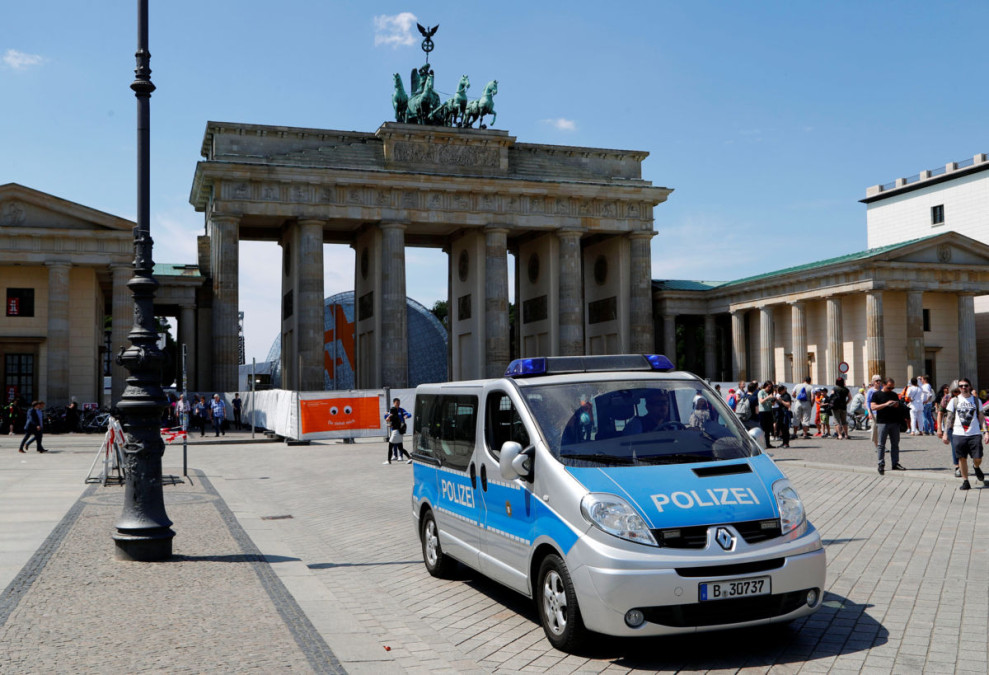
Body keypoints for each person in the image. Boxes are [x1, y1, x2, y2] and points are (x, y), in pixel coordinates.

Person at [942, 378, 987, 490]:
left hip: (975, 433)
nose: (963, 388)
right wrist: (945, 433)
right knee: (962, 458)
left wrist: (986, 432)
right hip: (958, 434)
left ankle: (976, 467)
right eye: (961, 386)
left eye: (965, 385)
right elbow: (949, 418)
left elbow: (981, 417)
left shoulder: (976, 400)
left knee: (978, 457)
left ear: (970, 386)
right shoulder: (954, 401)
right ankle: (965, 481)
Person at [871, 378, 906, 475]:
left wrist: (896, 405)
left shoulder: (894, 394)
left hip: (894, 422)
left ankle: (895, 463)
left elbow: (899, 406)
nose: (891, 389)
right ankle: (881, 464)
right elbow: (873, 407)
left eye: (892, 388)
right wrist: (886, 404)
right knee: (881, 444)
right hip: (882, 422)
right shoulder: (876, 394)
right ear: (884, 385)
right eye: (889, 387)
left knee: (895, 444)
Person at [384, 398, 412, 464]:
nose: (390, 413)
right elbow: (392, 423)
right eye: (397, 403)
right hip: (399, 432)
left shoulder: (393, 416)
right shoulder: (397, 417)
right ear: (394, 403)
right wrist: (389, 422)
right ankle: (409, 458)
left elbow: (387, 419)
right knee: (400, 447)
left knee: (390, 446)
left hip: (395, 433)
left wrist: (388, 416)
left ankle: (389, 460)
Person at [757, 381, 775, 448]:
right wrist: (768, 397)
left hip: (769, 411)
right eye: (768, 387)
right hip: (762, 411)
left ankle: (768, 443)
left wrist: (773, 400)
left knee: (768, 429)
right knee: (763, 428)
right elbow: (761, 401)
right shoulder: (761, 392)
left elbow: (772, 403)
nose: (769, 388)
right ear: (765, 386)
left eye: (770, 387)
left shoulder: (770, 392)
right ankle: (762, 444)